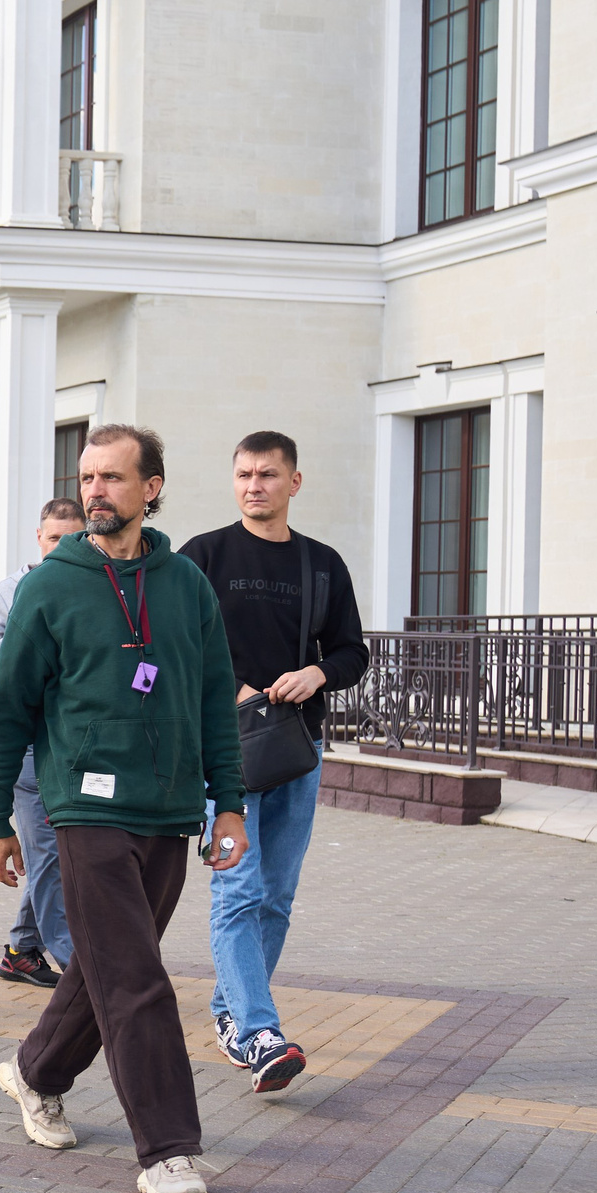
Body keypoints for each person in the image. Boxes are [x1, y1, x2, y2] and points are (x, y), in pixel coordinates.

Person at [0, 424, 248, 1193]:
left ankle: (35, 1072)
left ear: (151, 488)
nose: (95, 490)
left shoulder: (186, 584)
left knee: (105, 966)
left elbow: (213, 700)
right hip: (82, 810)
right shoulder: (51, 586)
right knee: (137, 978)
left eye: (113, 478)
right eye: (87, 476)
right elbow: (7, 712)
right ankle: (168, 1150)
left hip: (167, 810)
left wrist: (227, 803)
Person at [179, 432, 367, 1094]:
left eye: (267, 474)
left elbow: (353, 651)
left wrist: (316, 672)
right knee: (235, 887)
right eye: (243, 474)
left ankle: (230, 1012)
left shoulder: (321, 565)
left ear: (294, 482)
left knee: (276, 894)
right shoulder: (201, 555)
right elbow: (173, 641)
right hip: (219, 751)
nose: (253, 484)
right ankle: (260, 1033)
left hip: (296, 749)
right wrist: (227, 688)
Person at [0, 498, 87, 987]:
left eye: (72, 538)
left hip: (75, 747)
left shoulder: (92, 587)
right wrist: (30, 643)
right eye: (54, 537)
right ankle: (82, 970)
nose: (62, 547)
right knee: (51, 859)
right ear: (39, 538)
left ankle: (21, 950)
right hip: (28, 747)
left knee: (56, 855)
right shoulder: (13, 589)